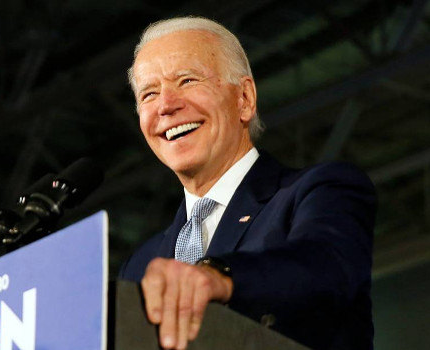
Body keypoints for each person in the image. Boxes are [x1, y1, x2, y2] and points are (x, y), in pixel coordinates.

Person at [119, 16, 376, 350]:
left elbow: (327, 267)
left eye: (186, 80)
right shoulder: (140, 264)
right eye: (149, 94)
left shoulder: (319, 191)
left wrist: (218, 275)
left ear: (244, 98)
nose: (166, 105)